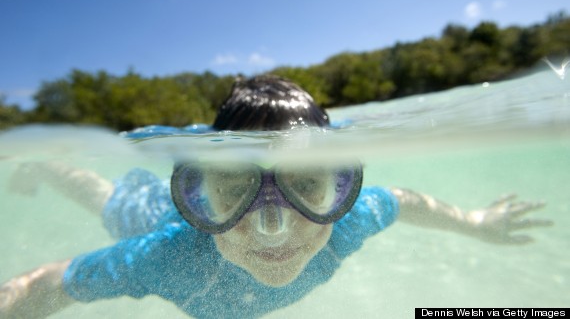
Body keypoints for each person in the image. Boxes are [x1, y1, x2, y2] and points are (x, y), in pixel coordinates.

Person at [0, 75, 551, 319]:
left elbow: (403, 199)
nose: (273, 230)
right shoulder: (161, 255)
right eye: (233, 189)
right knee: (102, 194)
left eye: (307, 185)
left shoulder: (353, 221)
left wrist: (477, 222)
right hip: (139, 214)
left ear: (340, 187)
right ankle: (45, 160)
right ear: (197, 196)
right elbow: (47, 284)